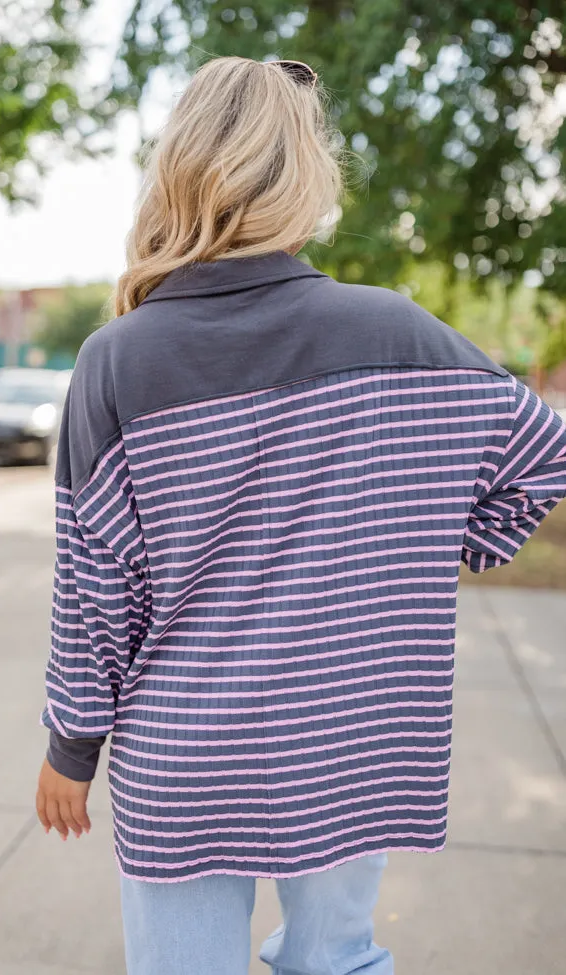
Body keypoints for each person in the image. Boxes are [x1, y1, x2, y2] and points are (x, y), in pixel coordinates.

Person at [35, 56, 566, 975]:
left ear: (177, 170)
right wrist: (428, 541)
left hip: (185, 754)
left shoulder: (115, 360)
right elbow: (542, 458)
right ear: (308, 177)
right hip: (354, 738)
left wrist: (71, 748)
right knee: (337, 962)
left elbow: (95, 593)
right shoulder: (402, 335)